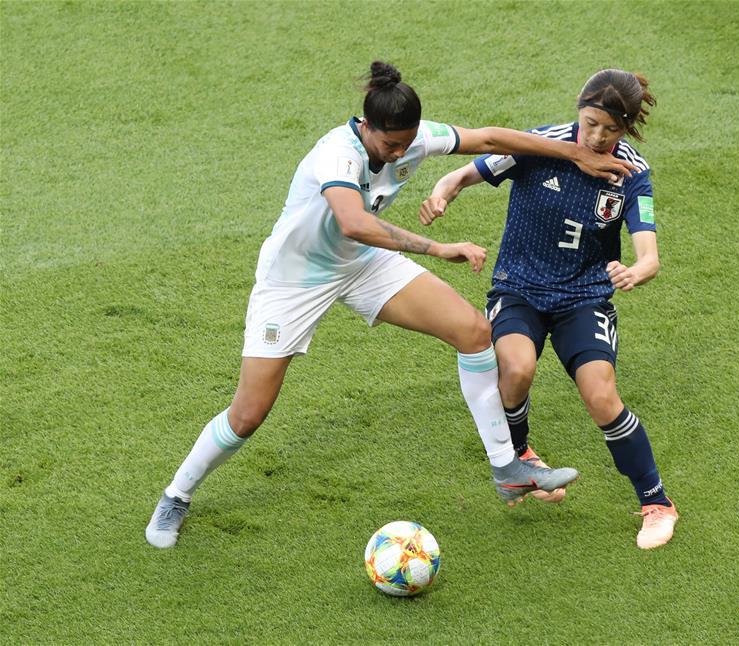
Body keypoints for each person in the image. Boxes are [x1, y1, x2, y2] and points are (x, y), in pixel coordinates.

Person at [145, 61, 637, 548]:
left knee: (472, 331)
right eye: (390, 145)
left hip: (360, 264)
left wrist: (574, 154)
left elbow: (489, 138)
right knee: (248, 414)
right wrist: (440, 248)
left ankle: (507, 468)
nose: (400, 152)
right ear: (366, 127)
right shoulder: (336, 155)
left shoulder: (416, 136)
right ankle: (176, 495)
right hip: (294, 282)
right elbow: (354, 223)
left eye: (407, 143)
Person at [420, 68, 678, 549]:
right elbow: (465, 174)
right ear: (577, 110)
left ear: (627, 129)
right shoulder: (540, 144)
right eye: (590, 123)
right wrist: (442, 192)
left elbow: (650, 255)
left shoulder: (632, 173)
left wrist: (635, 271)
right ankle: (521, 460)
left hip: (583, 297)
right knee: (515, 369)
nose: (597, 137)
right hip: (519, 287)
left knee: (601, 396)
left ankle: (656, 503)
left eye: (611, 130)